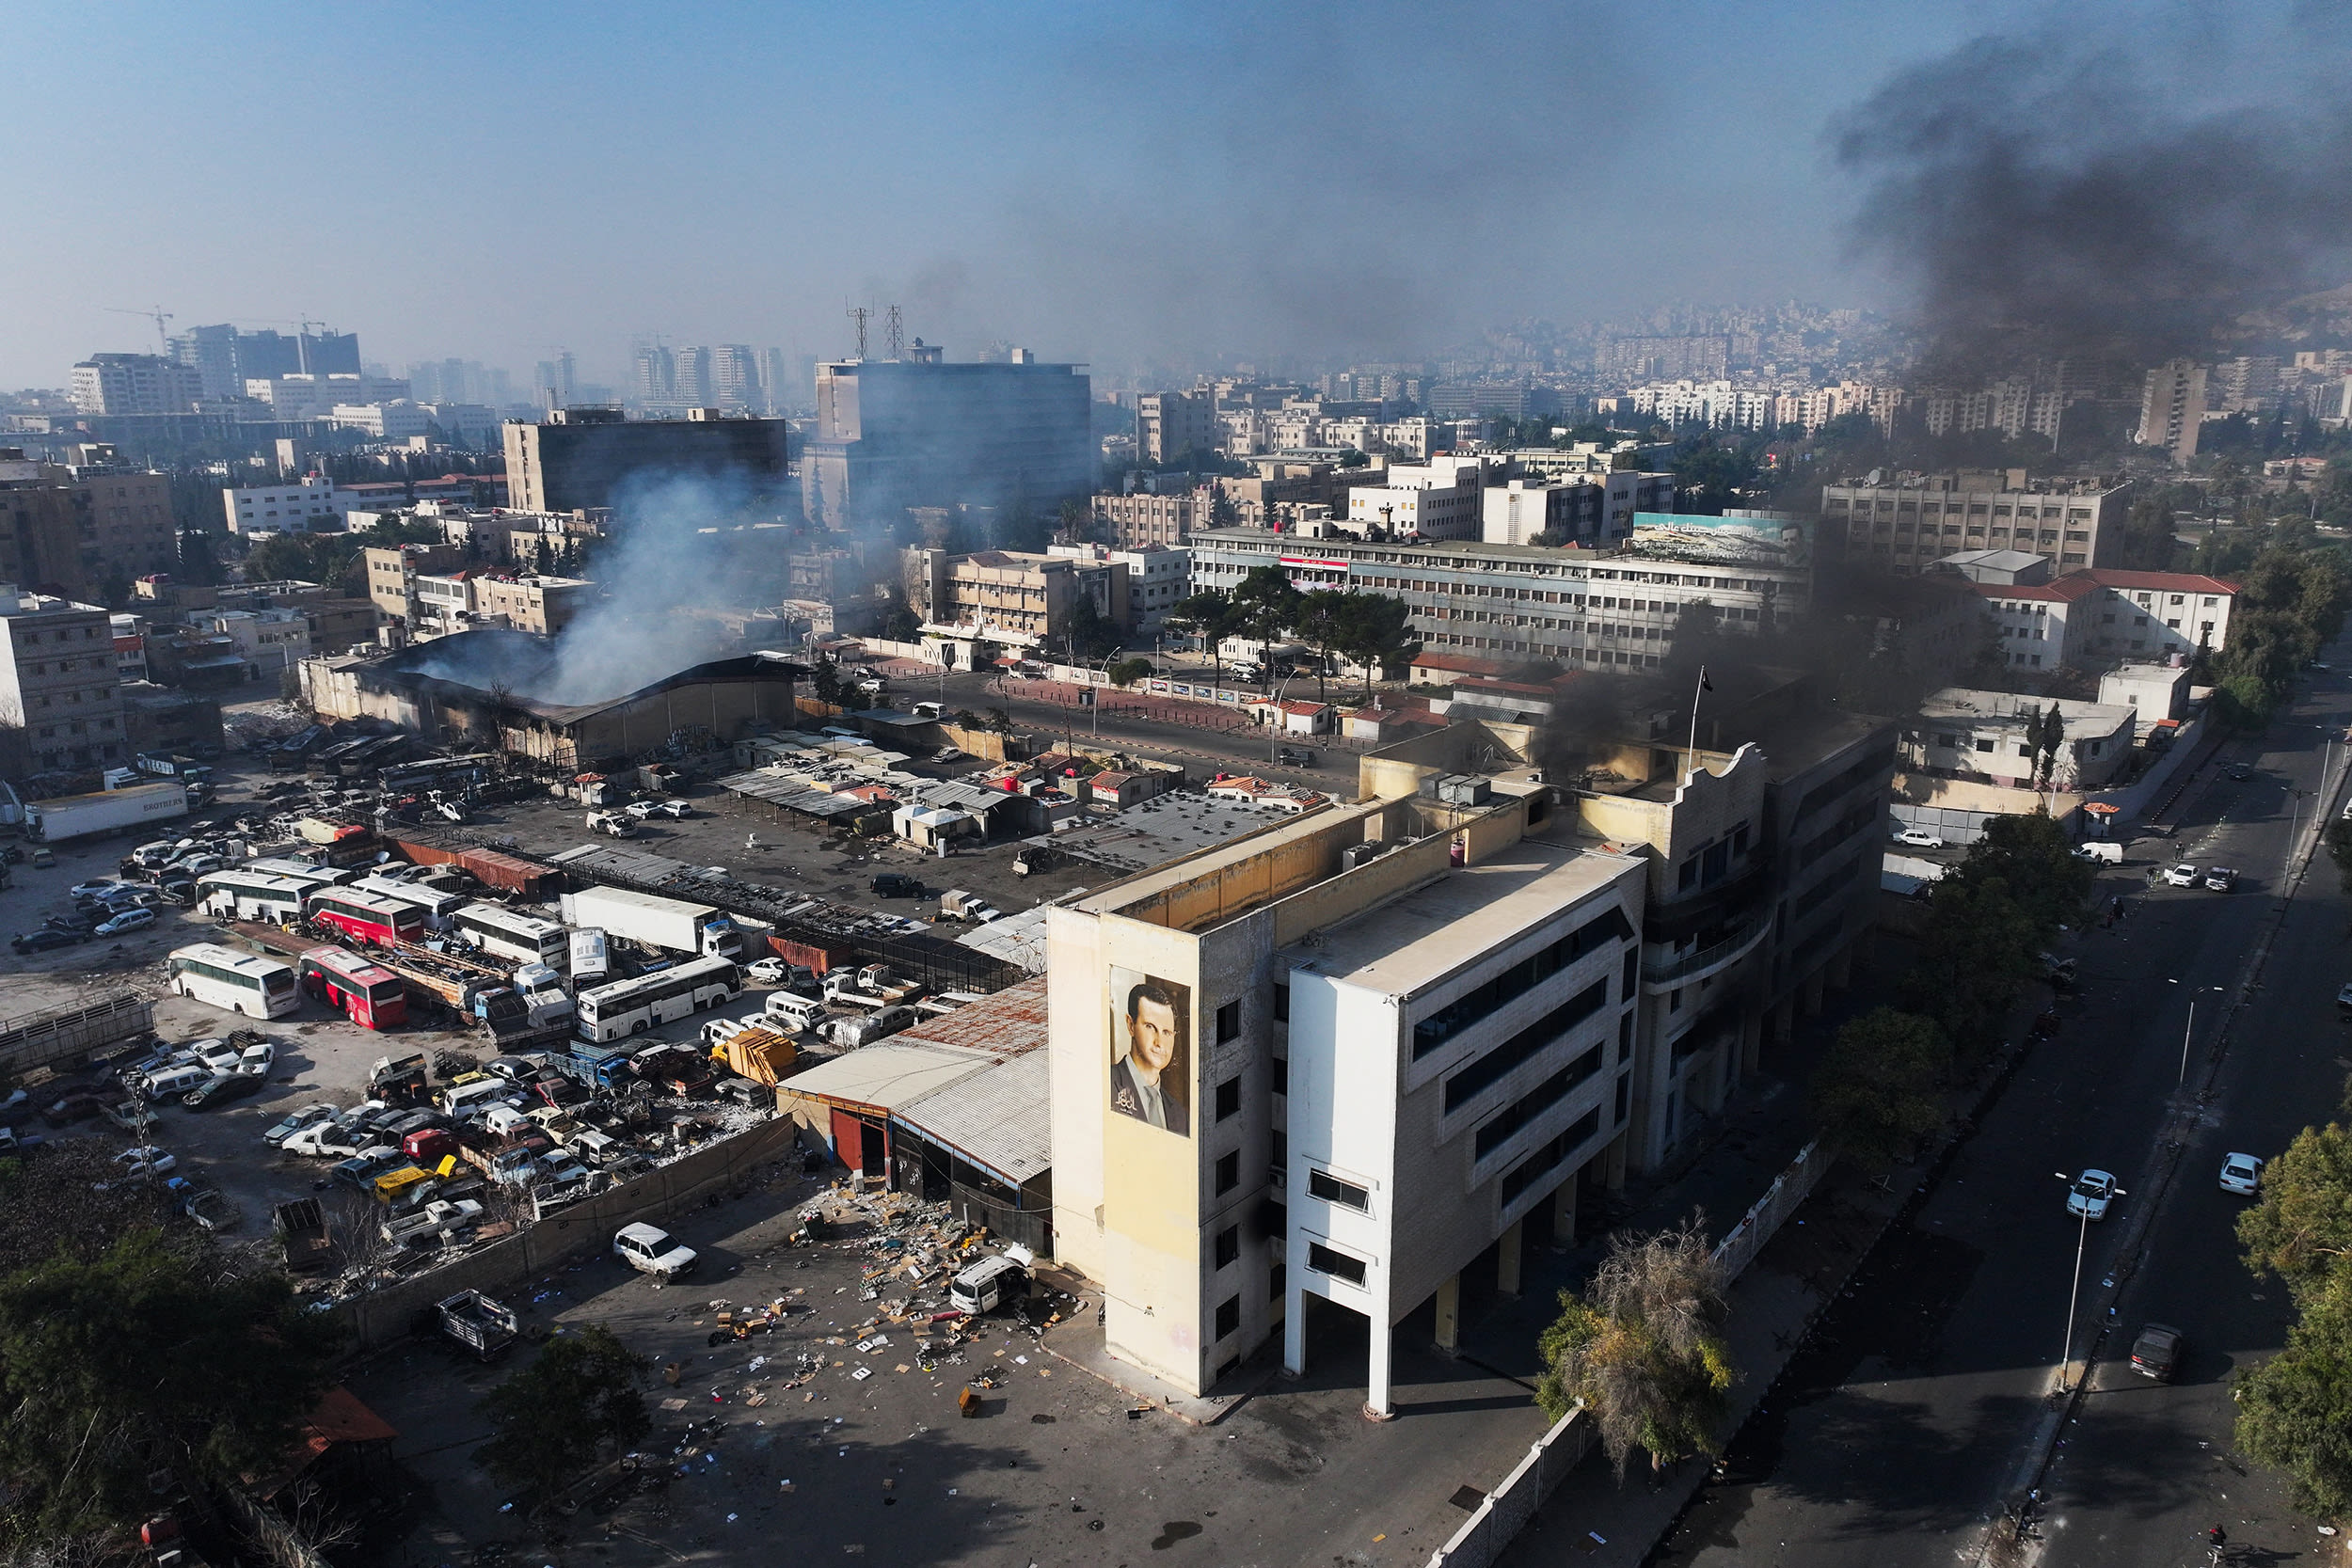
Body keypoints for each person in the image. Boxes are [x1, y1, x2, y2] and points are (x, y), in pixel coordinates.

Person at [1111, 977, 1188, 1134]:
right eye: (1150, 1027)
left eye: (1166, 1032)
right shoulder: (1106, 1084)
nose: (1159, 1042)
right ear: (1130, 1025)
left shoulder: (1180, 1115)